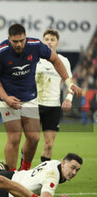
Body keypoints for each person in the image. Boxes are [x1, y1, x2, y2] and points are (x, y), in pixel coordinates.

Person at [0, 24, 82, 171]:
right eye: (15, 41)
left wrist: (69, 83)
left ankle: (24, 170)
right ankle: (12, 177)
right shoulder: (1, 52)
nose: (19, 44)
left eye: (21, 40)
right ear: (8, 39)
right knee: (14, 138)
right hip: (8, 100)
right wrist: (5, 97)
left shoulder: (35, 45)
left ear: (26, 37)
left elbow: (56, 60)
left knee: (34, 138)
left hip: (29, 98)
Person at [36, 29, 77, 162]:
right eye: (47, 39)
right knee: (32, 141)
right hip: (34, 105)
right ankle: (22, 170)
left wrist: (68, 99)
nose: (49, 42)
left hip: (53, 106)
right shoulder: (35, 59)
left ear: (57, 43)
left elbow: (70, 83)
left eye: (52, 40)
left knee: (48, 145)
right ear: (43, 42)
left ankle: (44, 172)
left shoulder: (63, 61)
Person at [0, 153, 82, 197]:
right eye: (72, 168)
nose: (74, 172)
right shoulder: (53, 176)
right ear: (63, 163)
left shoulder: (55, 163)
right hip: (7, 190)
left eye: (77, 170)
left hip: (11, 176)